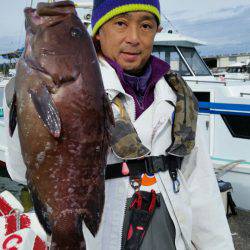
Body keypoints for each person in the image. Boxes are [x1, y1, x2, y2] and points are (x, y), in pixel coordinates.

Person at [80, 0, 235, 249]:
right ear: (99, 31)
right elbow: (25, 169)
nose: (134, 38)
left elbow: (201, 188)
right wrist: (24, 97)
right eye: (121, 23)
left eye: (145, 25)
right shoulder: (73, 93)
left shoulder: (177, 96)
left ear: (156, 31)